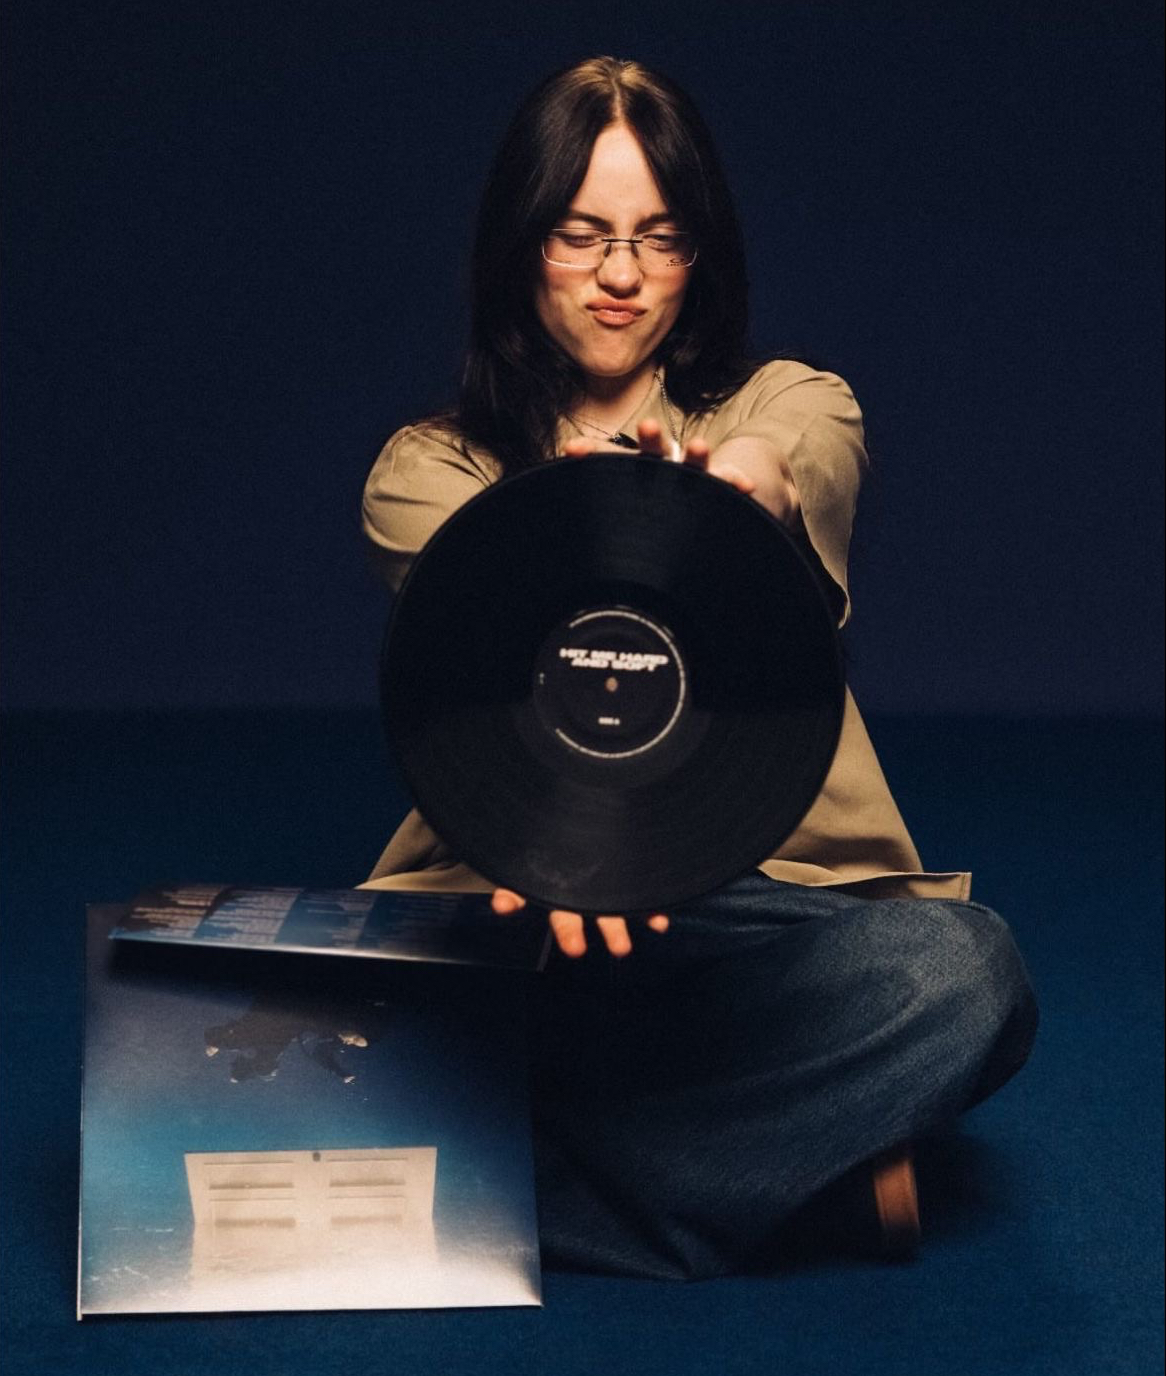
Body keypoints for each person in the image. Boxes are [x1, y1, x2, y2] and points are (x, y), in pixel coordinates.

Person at [360, 56, 1038, 1280]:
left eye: (658, 238)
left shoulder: (790, 401)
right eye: (580, 234)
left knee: (965, 974)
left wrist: (743, 487)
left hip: (751, 912)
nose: (619, 274)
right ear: (520, 246)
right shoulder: (429, 469)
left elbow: (796, 449)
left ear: (697, 256)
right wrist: (568, 849)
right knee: (372, 1011)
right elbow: (496, 613)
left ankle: (516, 1188)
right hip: (522, 906)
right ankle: (783, 1178)